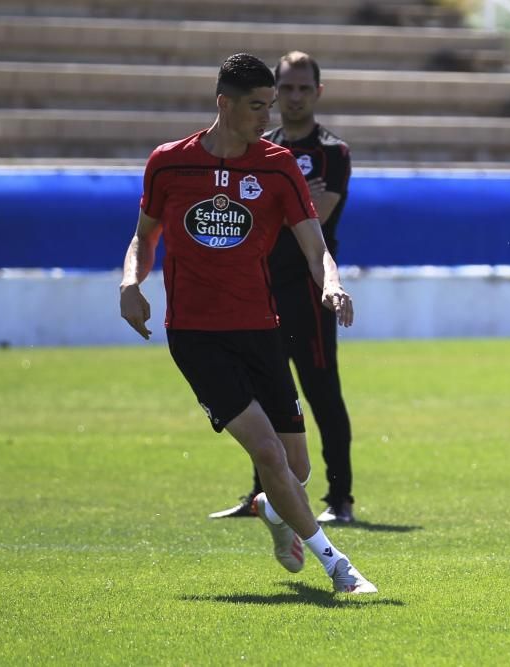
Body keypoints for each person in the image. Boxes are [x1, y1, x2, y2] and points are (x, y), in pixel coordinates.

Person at [119, 53, 376, 593]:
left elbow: (315, 246)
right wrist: (130, 283)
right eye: (258, 106)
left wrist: (331, 283)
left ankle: (274, 510)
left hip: (261, 328)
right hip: (196, 335)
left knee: (295, 468)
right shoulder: (168, 162)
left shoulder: (278, 165)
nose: (269, 115)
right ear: (225, 104)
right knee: (267, 452)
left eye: (271, 104)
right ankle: (339, 567)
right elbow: (144, 236)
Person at [209, 51, 357, 524]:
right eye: (286, 88)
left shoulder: (331, 152)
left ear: (318, 92)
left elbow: (316, 216)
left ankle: (340, 499)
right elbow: (259, 214)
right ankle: (262, 496)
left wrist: (276, 208)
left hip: (309, 293)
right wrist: (287, 204)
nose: (294, 97)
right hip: (260, 291)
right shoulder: (260, 146)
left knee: (321, 392)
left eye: (303, 88)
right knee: (261, 396)